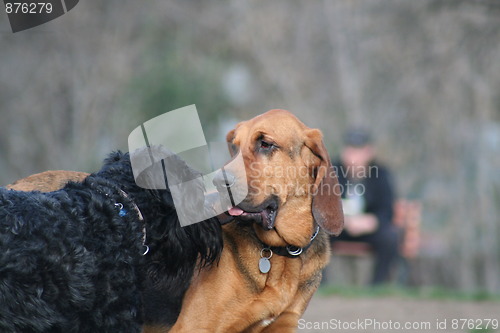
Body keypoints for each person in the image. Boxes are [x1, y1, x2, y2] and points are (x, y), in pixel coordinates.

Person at [331, 127, 399, 285]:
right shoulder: (331, 171)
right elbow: (321, 205)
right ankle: (320, 286)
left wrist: (372, 221)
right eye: (350, 149)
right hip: (338, 227)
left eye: (359, 150)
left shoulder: (380, 174)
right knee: (317, 236)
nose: (354, 155)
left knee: (390, 237)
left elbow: (387, 209)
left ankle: (378, 287)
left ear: (369, 152)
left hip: (369, 229)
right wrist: (343, 221)